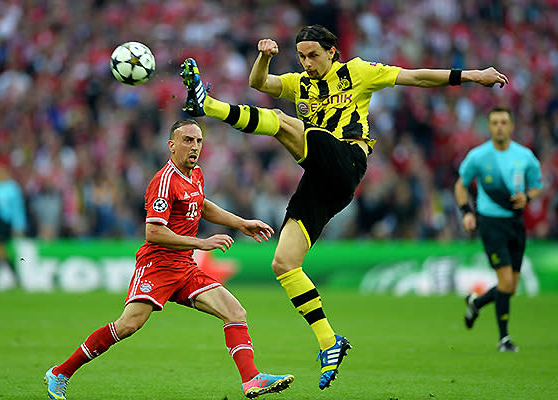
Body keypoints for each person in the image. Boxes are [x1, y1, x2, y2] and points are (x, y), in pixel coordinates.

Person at [180, 24, 509, 389]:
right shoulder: (299, 83)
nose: (307, 63)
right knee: (284, 262)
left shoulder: (358, 72)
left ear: (332, 51)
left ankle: (205, 104)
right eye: (302, 56)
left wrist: (473, 75)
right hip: (323, 179)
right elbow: (260, 84)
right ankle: (328, 341)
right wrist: (264, 57)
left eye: (314, 56)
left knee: (282, 123)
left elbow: (416, 77)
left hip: (348, 159)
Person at [44, 119, 293, 399]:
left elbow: (201, 204)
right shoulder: (163, 182)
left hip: (184, 267)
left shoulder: (195, 173)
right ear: (171, 146)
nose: (195, 146)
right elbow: (153, 232)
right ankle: (60, 372)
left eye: (198, 141)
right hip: (157, 266)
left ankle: (251, 380)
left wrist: (240, 222)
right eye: (187, 140)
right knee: (128, 325)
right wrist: (201, 242)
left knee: (235, 312)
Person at [454, 106, 542, 352]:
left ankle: (477, 303)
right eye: (495, 122)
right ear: (489, 126)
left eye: (504, 122)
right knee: (504, 281)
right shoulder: (479, 156)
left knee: (511, 287)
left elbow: (536, 185)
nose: (500, 126)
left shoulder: (524, 156)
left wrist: (528, 197)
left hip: (516, 223)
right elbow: (460, 186)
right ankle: (504, 339)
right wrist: (466, 213)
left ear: (512, 126)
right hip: (491, 223)